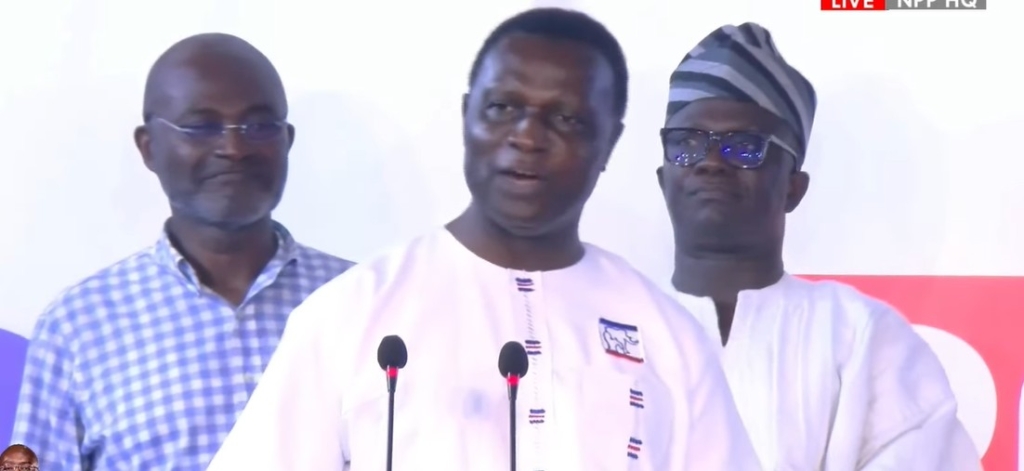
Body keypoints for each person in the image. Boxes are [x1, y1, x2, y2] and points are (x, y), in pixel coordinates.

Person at [206, 8, 761, 471]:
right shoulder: (352, 312)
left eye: (565, 119)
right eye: (502, 109)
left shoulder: (666, 335)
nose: (527, 137)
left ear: (609, 143)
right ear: (467, 115)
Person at [11, 33, 355, 470]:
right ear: (149, 147)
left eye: (259, 125)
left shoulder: (362, 301)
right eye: (201, 127)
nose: (233, 149)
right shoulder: (77, 326)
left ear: (286, 140)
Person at [658, 22, 980, 470]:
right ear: (663, 179)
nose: (711, 162)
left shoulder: (860, 336)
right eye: (687, 144)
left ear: (793, 188)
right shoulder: (615, 321)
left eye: (745, 147)